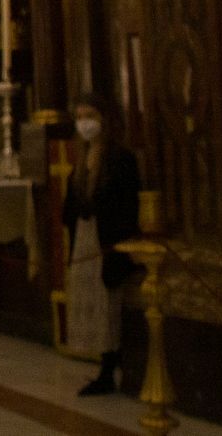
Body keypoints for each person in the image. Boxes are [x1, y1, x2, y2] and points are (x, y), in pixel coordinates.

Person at [62, 93, 141, 396]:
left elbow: (125, 202)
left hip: (107, 239)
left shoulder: (119, 158)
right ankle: (104, 365)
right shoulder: (81, 158)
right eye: (80, 117)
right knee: (90, 300)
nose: (84, 123)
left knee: (107, 304)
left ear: (104, 120)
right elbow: (72, 201)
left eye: (90, 116)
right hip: (85, 237)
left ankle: (110, 368)